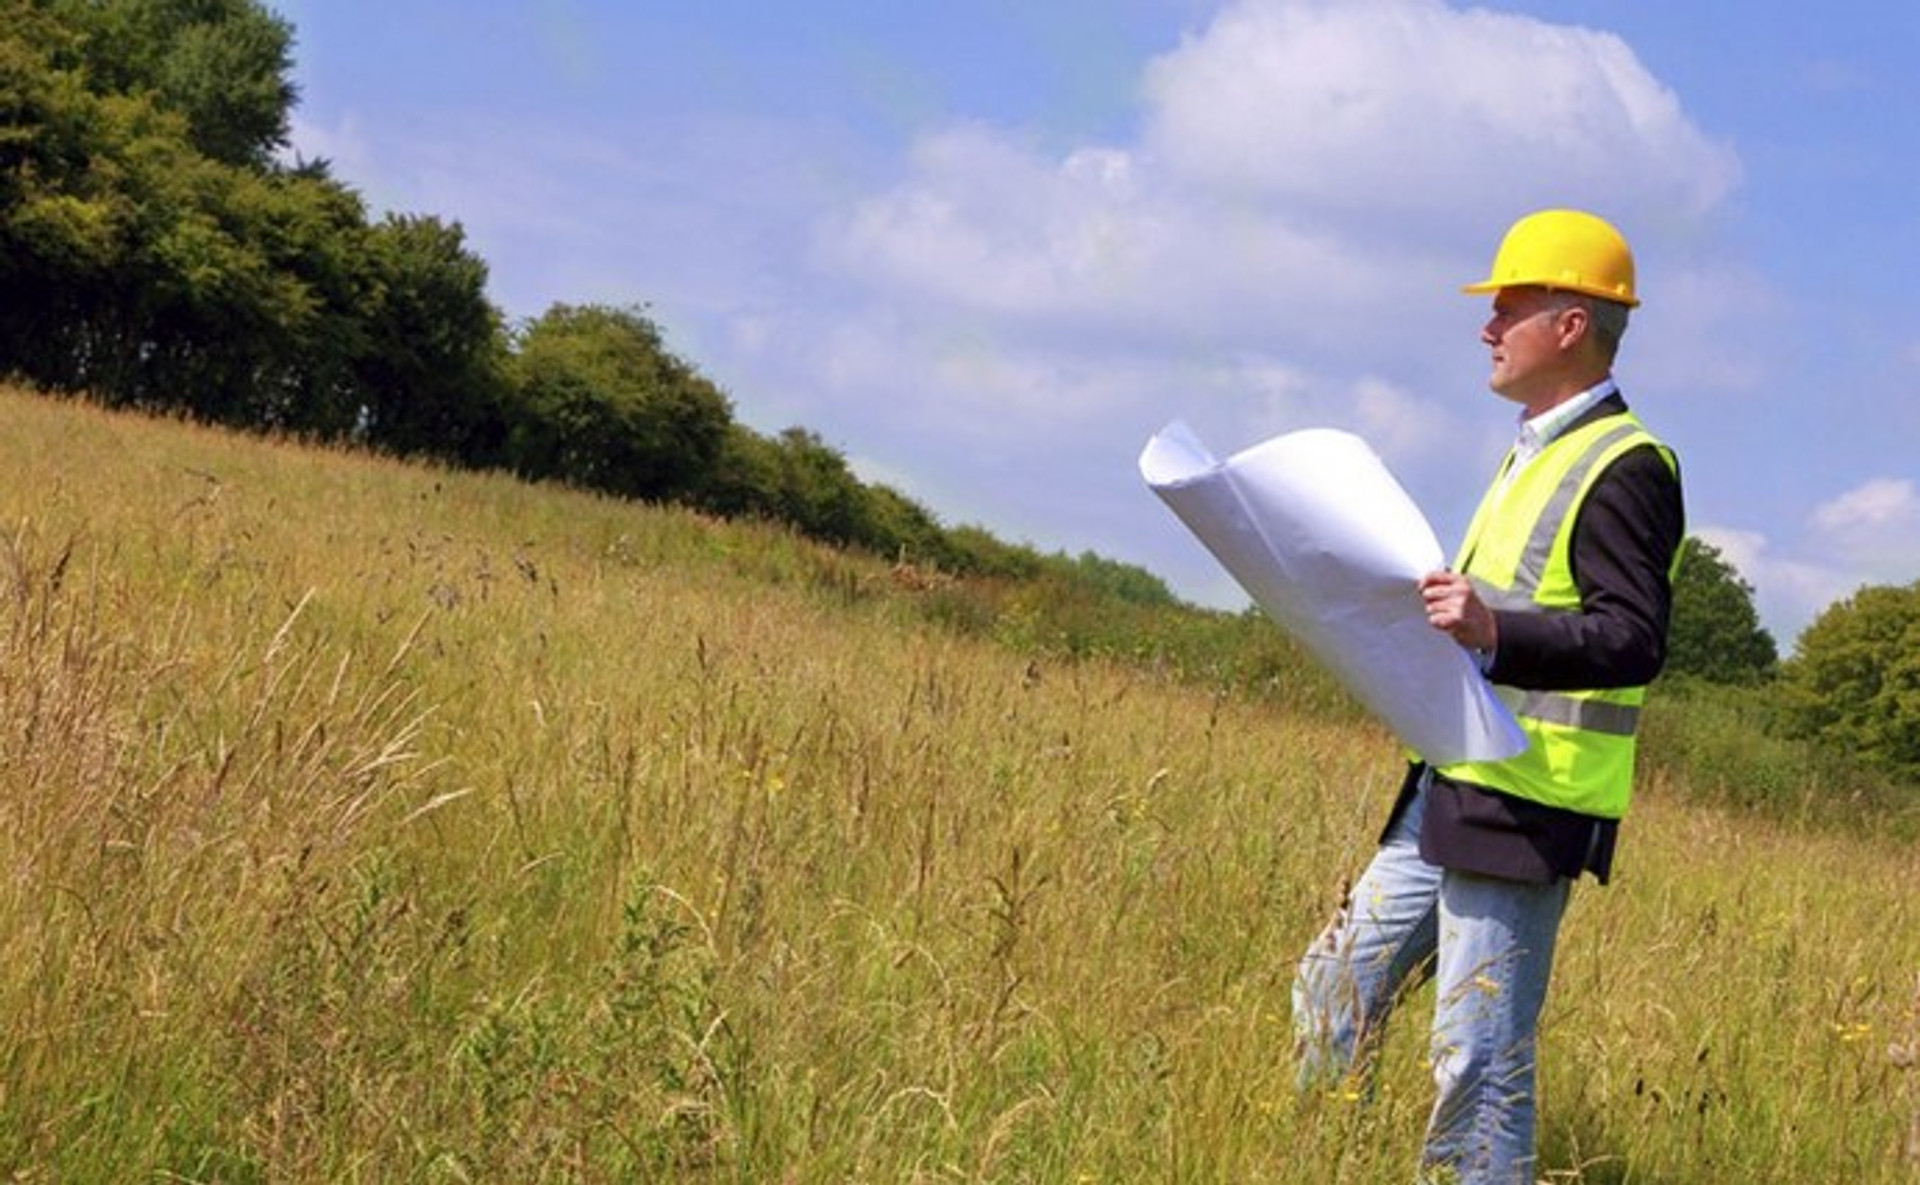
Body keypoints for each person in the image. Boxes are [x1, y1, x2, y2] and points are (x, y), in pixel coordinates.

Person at [1290, 209, 1685, 1183]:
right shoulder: (1532, 448)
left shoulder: (1627, 465)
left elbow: (1634, 639)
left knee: (1478, 1055)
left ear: (1570, 325)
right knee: (1333, 987)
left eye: (1508, 304)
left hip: (1530, 801)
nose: (1487, 324)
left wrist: (1493, 628)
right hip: (1454, 781)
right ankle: (1315, 1161)